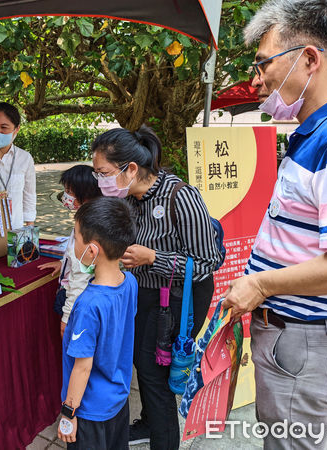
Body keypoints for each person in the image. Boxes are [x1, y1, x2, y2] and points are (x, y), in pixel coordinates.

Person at [222, 1, 327, 448]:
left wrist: (260, 286)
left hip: (307, 345)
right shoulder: (319, 132)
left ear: (309, 59)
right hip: (294, 341)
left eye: (264, 64)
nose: (257, 81)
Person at [91, 126, 222, 449]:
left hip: (176, 300)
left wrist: (154, 258)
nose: (100, 182)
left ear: (130, 169)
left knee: (155, 377)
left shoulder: (181, 197)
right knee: (143, 364)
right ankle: (149, 423)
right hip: (145, 294)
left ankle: (164, 438)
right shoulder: (130, 199)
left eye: (103, 173)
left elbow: (206, 262)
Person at [57, 196, 138, 449]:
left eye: (76, 237)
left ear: (92, 251)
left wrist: (68, 412)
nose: (73, 244)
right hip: (117, 399)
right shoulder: (130, 282)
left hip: (89, 409)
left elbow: (82, 368)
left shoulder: (88, 304)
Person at [38, 164, 102, 337]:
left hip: (78, 301)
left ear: (86, 194)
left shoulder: (87, 225)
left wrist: (67, 317)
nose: (65, 196)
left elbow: (81, 274)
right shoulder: (90, 217)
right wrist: (63, 262)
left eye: (69, 191)